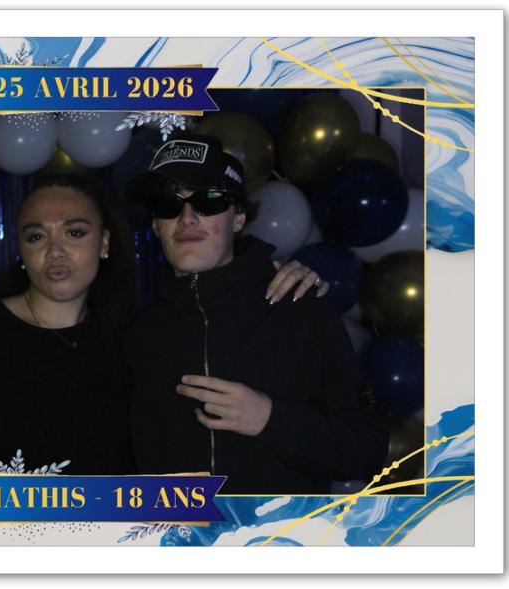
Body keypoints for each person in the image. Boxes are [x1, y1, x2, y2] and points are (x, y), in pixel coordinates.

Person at [0, 174, 327, 495]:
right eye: (36, 237)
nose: (56, 252)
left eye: (75, 233)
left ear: (105, 243)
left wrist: (268, 274)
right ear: (21, 251)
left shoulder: (141, 338)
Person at [123, 134, 389, 494]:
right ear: (156, 225)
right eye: (168, 204)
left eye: (208, 200)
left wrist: (269, 419)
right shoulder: (141, 332)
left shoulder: (300, 305)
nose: (187, 218)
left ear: (238, 218)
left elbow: (368, 449)